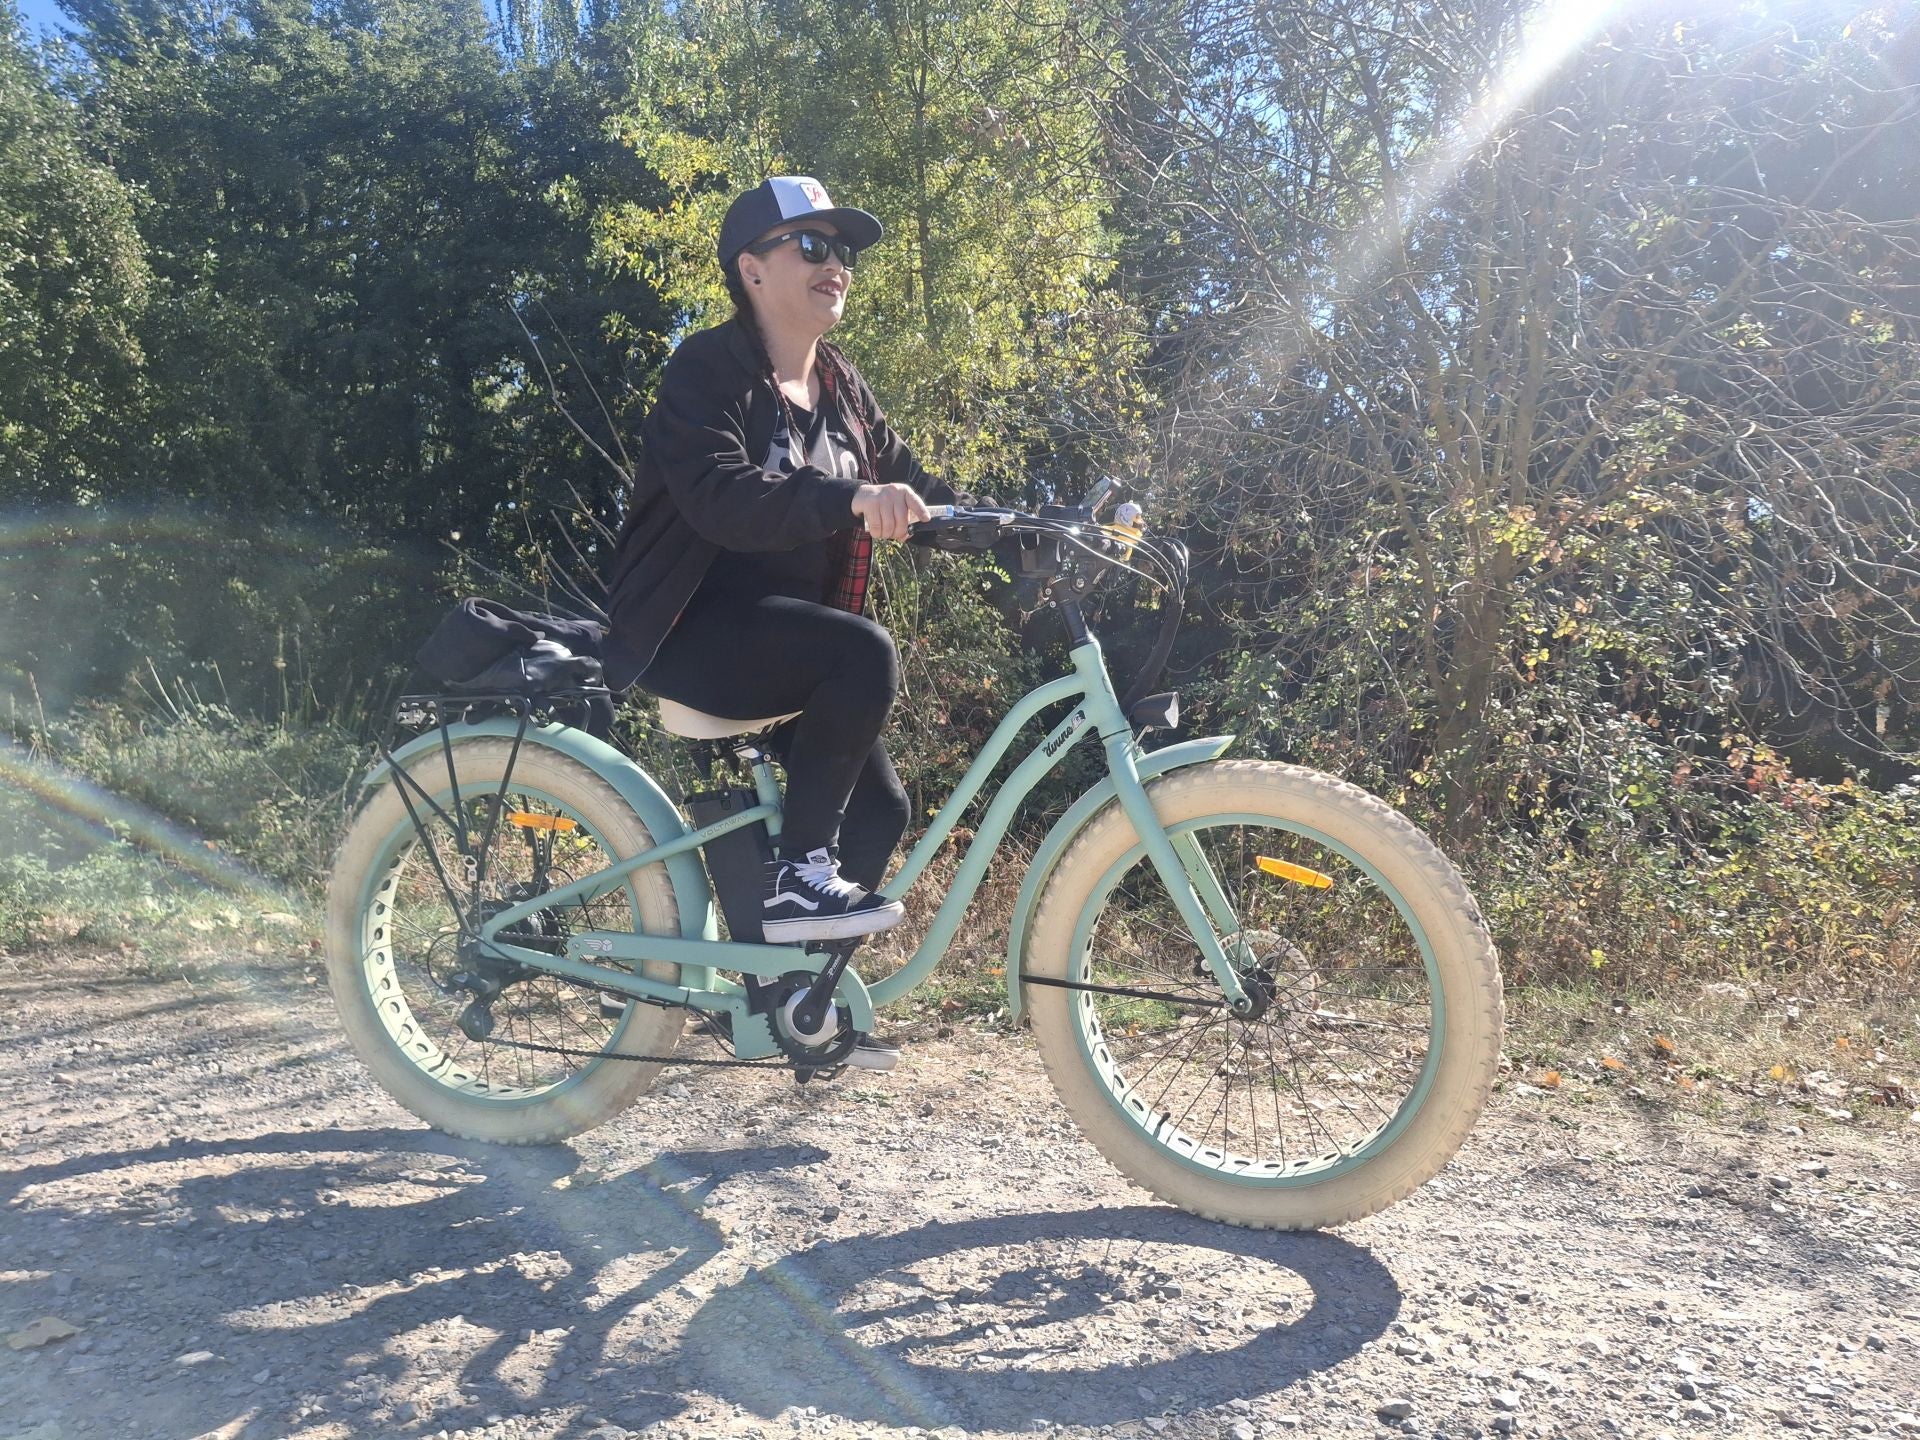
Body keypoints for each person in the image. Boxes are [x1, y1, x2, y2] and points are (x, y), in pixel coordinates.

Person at [604, 176, 955, 944]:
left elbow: (926, 491)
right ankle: (801, 873)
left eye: (844, 252)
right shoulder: (707, 368)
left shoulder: (844, 391)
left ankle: (801, 1002)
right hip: (687, 630)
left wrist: (1036, 523)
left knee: (880, 810)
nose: (837, 264)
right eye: (812, 245)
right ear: (751, 269)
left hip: (791, 643)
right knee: (863, 651)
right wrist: (850, 498)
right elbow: (719, 493)